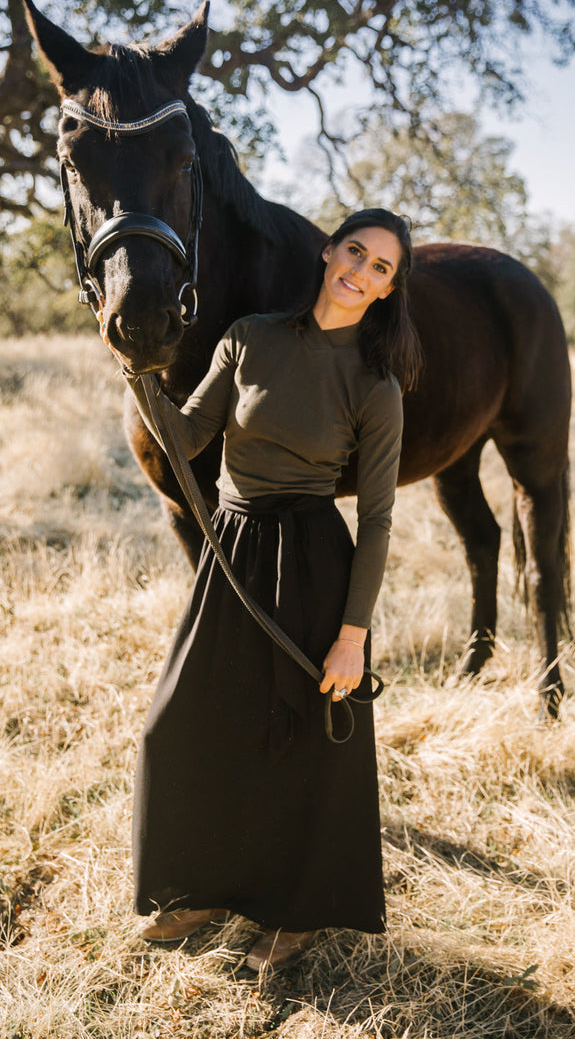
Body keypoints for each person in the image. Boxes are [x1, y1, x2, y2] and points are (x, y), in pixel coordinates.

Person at [119, 208, 422, 970]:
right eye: (355, 251)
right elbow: (188, 439)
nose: (361, 270)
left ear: (388, 289)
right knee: (185, 721)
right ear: (328, 252)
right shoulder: (248, 337)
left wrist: (352, 636)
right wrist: (139, 369)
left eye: (381, 267)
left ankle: (298, 913)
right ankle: (204, 888)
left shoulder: (376, 384)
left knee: (302, 742)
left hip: (315, 558)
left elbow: (380, 519)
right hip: (235, 547)